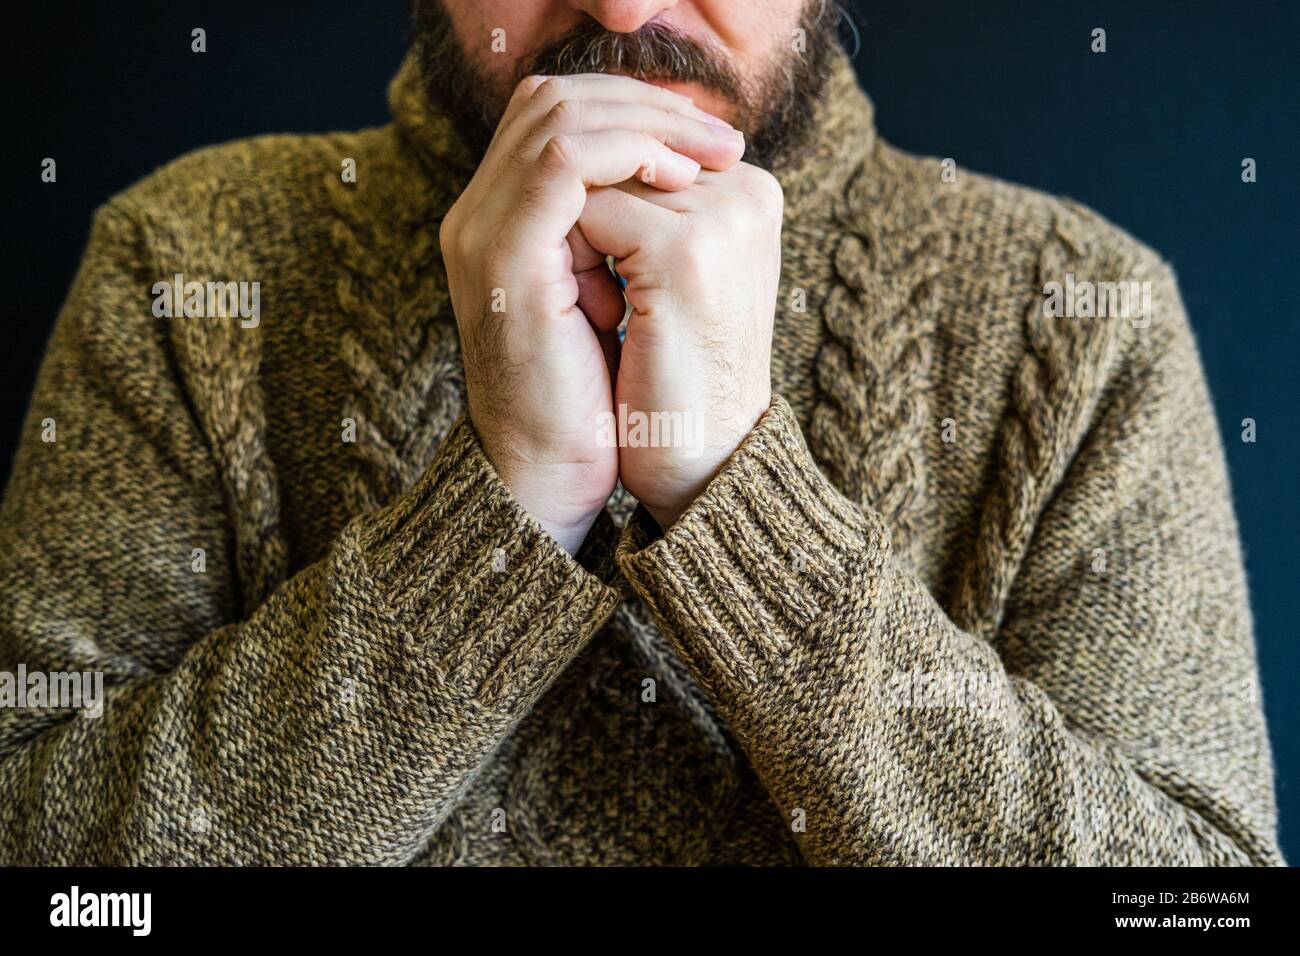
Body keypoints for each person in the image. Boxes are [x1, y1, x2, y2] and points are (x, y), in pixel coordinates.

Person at [0, 0, 1283, 865]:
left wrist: (736, 487)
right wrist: (505, 506)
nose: (619, 9)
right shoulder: (187, 255)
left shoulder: (1079, 307)